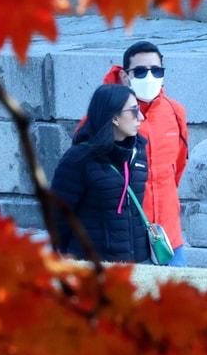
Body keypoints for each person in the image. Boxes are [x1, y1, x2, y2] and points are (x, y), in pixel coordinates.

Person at [99, 41, 190, 265]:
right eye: (140, 71)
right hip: (126, 241)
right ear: (124, 76)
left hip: (169, 240)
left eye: (156, 70)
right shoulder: (105, 115)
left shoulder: (176, 112)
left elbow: (177, 168)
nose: (149, 77)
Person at [50, 84, 152, 263]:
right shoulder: (79, 158)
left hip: (138, 263)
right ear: (114, 117)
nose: (141, 117)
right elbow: (58, 214)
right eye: (134, 111)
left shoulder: (139, 152)